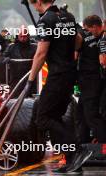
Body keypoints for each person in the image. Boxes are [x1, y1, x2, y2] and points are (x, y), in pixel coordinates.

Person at [25, 0, 92, 173]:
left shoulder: (45, 20)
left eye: (34, 4)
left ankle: (77, 149)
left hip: (57, 76)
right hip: (70, 73)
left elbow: (40, 53)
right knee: (55, 117)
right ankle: (72, 159)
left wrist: (30, 80)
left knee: (43, 117)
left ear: (39, 2)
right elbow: (78, 41)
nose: (34, 7)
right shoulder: (68, 16)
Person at [74, 16, 106, 151]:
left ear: (94, 26)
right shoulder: (98, 37)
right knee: (80, 112)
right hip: (89, 80)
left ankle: (104, 142)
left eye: (88, 29)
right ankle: (83, 141)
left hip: (92, 80)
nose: (88, 32)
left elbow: (103, 61)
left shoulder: (101, 38)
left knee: (91, 114)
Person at [3, 26, 36, 96]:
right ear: (18, 36)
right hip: (15, 80)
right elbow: (3, 57)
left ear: (28, 36)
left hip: (31, 79)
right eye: (21, 36)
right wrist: (6, 58)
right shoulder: (11, 47)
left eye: (25, 36)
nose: (23, 38)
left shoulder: (35, 47)